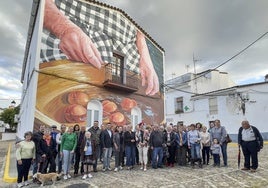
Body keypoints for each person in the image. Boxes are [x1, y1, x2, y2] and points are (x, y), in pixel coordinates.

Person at [43, 0, 159, 96]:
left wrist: (144, 54)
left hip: (128, 45)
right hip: (73, 28)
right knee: (60, 92)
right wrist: (63, 29)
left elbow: (139, 22)